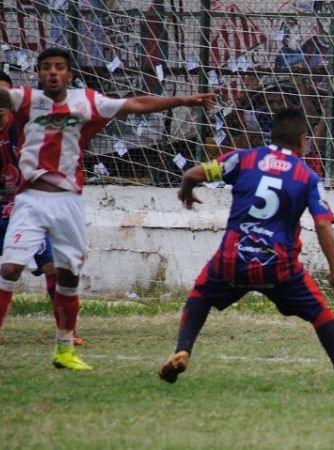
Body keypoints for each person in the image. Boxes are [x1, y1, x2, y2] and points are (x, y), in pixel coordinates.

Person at [0, 47, 215, 371]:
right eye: (46, 68)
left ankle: (64, 350)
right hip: (30, 199)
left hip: (68, 201)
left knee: (68, 277)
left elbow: (136, 104)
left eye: (59, 67)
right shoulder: (25, 99)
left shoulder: (87, 101)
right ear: (38, 74)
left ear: (69, 74)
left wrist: (183, 101)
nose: (53, 73)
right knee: (10, 268)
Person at [158, 108, 334, 389]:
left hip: (233, 260)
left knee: (202, 294)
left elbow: (193, 173)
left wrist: (186, 189)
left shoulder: (243, 158)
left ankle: (183, 349)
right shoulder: (308, 177)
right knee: (322, 314)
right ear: (303, 140)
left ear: (272, 135)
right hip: (278, 266)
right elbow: (323, 224)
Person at [0, 73, 84, 345]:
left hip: (26, 208)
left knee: (52, 267)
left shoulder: (25, 127)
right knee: (10, 271)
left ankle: (67, 332)